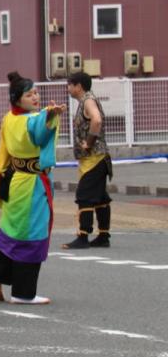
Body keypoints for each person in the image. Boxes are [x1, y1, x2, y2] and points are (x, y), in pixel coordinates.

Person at [0, 71, 65, 305]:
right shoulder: (32, 120)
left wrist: (47, 116)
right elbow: (40, 134)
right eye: (29, 94)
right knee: (33, 234)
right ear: (17, 98)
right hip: (32, 183)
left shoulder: (9, 118)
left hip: (15, 179)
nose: (35, 97)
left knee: (10, 229)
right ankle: (23, 292)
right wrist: (50, 117)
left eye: (36, 92)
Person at [63, 71, 112, 249]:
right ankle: (104, 236)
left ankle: (83, 236)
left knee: (84, 196)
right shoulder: (86, 100)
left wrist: (88, 143)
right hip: (96, 158)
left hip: (95, 158)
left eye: (70, 84)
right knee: (99, 197)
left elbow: (96, 120)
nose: (68, 88)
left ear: (78, 86)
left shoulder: (88, 100)